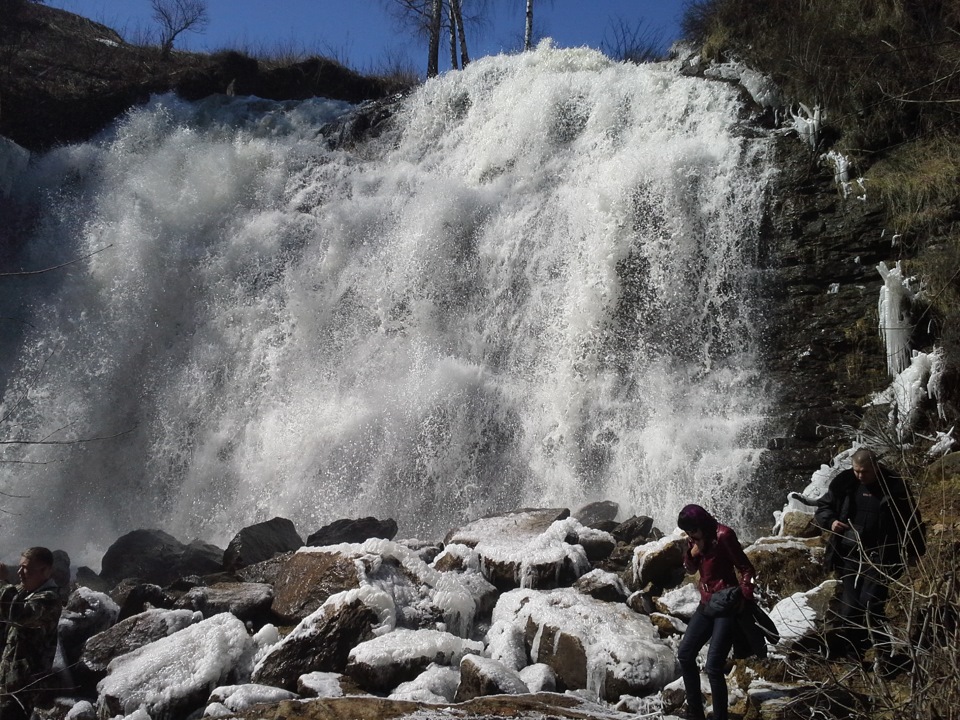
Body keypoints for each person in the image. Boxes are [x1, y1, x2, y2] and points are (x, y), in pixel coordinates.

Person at [814, 448, 924, 660]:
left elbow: (912, 521)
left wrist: (915, 552)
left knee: (871, 605)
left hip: (880, 558)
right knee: (849, 609)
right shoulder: (845, 483)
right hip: (848, 556)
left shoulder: (894, 487)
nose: (860, 476)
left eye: (864, 471)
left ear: (876, 467)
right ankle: (853, 657)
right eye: (856, 471)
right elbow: (824, 507)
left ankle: (884, 655)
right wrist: (830, 521)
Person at [676, 504, 757, 720]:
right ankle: (696, 712)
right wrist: (691, 554)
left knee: (713, 666)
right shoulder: (694, 540)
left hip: (726, 606)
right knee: (685, 655)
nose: (690, 535)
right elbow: (690, 569)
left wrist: (744, 598)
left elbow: (747, 569)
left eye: (692, 531)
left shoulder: (724, 535)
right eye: (687, 532)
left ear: (701, 524)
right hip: (706, 603)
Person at [0, 547, 63, 720]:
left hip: (25, 690)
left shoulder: (49, 599)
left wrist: (2, 582)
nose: (20, 572)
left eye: (26, 568)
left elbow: (19, 615)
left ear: (45, 571)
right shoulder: (23, 593)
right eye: (19, 567)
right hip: (8, 685)